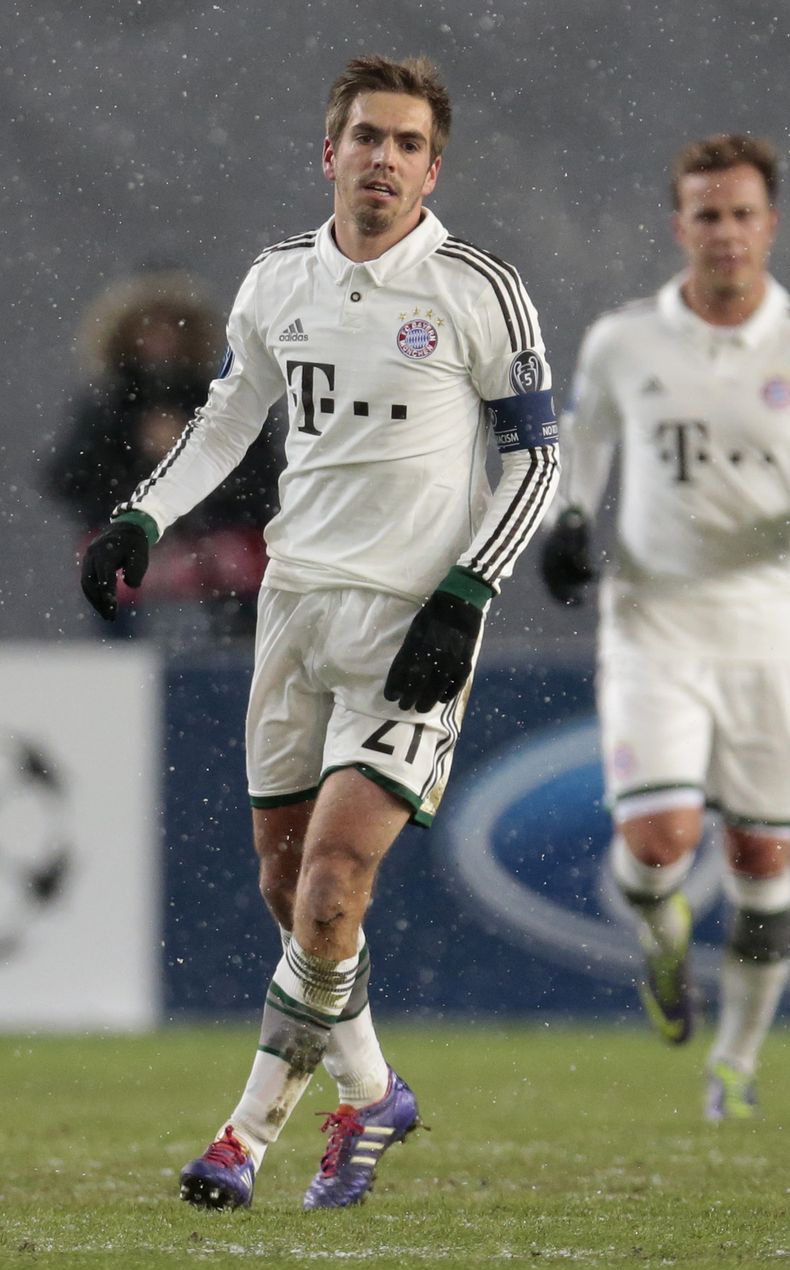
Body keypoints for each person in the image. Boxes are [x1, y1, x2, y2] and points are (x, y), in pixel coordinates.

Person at [80, 55, 559, 1209]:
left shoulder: (476, 289)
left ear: (432, 167)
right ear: (328, 151)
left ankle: (240, 1139)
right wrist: (144, 510)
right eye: (364, 137)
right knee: (287, 885)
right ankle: (373, 1087)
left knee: (335, 885)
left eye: (405, 143)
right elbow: (229, 416)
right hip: (295, 610)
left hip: (412, 623)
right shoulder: (275, 280)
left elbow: (538, 459)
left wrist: (468, 592)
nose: (382, 158)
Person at [541, 133, 790, 1121]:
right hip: (652, 621)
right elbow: (581, 445)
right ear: (677, 223)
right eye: (705, 212)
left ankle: (734, 1056)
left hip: (769, 626)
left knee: (765, 857)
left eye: (740, 213)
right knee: (658, 839)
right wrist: (566, 521)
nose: (723, 232)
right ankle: (660, 933)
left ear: (767, 224)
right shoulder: (624, 340)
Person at [47, 268, 282, 644]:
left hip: (222, 555)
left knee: (236, 648)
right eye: (148, 326)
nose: (160, 339)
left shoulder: (224, 398)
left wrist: (202, 485)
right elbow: (69, 479)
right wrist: (132, 466)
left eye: (173, 326)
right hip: (134, 560)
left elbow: (264, 478)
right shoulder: (108, 406)